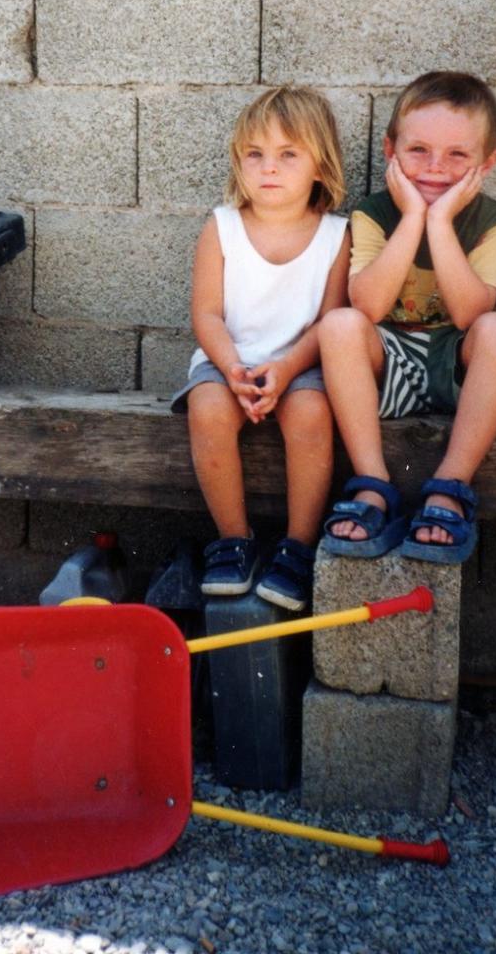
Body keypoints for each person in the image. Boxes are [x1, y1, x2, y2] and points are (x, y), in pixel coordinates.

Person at [319, 71, 496, 564]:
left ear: (487, 163)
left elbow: (469, 311)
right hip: (392, 366)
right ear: (391, 151)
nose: (436, 169)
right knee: (340, 325)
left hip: (461, 371)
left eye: (458, 155)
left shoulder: (494, 221)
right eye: (418, 151)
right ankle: (372, 485)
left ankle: (449, 489)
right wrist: (412, 218)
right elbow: (366, 307)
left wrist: (439, 220)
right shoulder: (373, 213)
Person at [171, 85, 350, 611]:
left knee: (314, 412)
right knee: (205, 408)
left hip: (301, 367)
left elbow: (329, 322)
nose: (268, 167)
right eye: (255, 154)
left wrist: (287, 367)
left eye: (288, 154)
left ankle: (298, 546)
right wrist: (230, 368)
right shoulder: (222, 226)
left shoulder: (336, 236)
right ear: (239, 162)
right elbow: (206, 312)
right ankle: (234, 540)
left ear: (320, 166)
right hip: (227, 363)